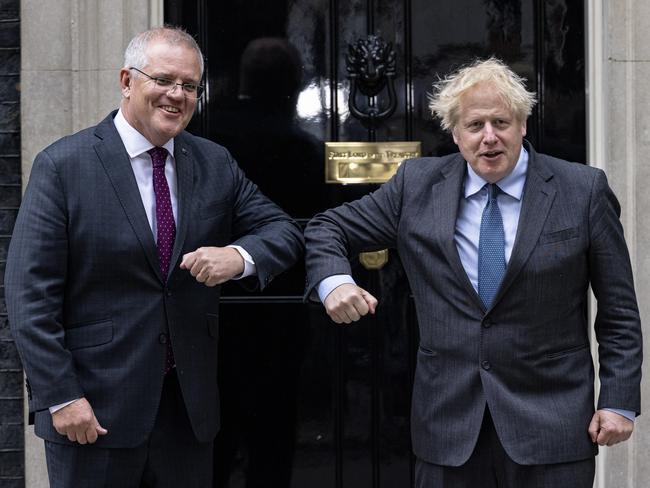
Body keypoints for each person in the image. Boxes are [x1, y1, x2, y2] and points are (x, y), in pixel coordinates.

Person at [304, 57, 642, 487]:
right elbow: (327, 227)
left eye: (501, 122)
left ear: (522, 123)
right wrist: (335, 282)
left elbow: (619, 313)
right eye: (474, 125)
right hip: (448, 428)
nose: (489, 138)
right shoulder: (415, 186)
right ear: (454, 132)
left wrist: (618, 401)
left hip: (552, 427)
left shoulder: (582, 190)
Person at [5, 26, 303, 488]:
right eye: (163, 80)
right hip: (93, 412)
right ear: (127, 81)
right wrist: (61, 398)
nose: (177, 95)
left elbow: (283, 230)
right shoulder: (63, 166)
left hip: (187, 415)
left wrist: (239, 256)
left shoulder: (214, 163)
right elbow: (29, 296)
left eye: (189, 86)